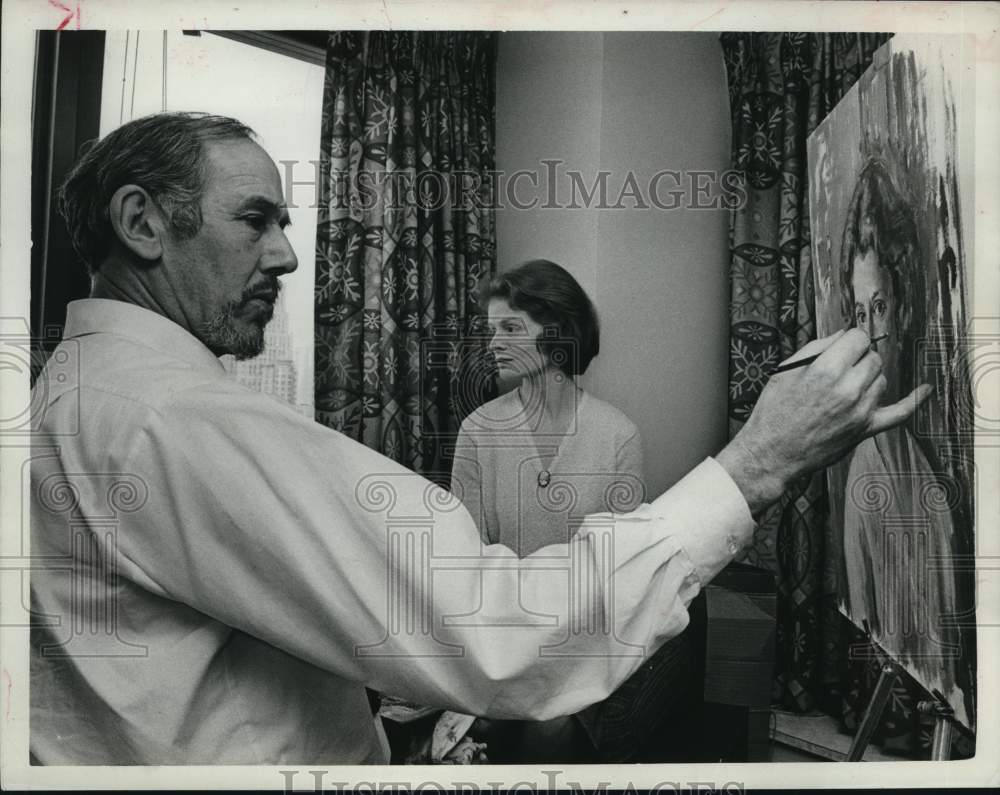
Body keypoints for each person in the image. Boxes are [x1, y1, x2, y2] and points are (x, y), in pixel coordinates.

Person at [29, 111, 927, 765]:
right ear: (142, 222)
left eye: (285, 224)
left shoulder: (69, 394)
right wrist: (758, 461)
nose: (289, 257)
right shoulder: (171, 418)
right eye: (255, 218)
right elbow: (487, 620)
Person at [448, 260, 696, 762]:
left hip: (584, 640)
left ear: (557, 333)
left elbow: (617, 577)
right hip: (503, 638)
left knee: (553, 732)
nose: (492, 343)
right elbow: (466, 568)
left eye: (511, 328)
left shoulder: (616, 435)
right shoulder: (478, 430)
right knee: (483, 735)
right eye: (490, 329)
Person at [837, 159, 969, 726]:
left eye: (881, 309)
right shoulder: (863, 467)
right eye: (858, 313)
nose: (869, 335)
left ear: (906, 309)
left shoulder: (933, 476)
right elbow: (863, 615)